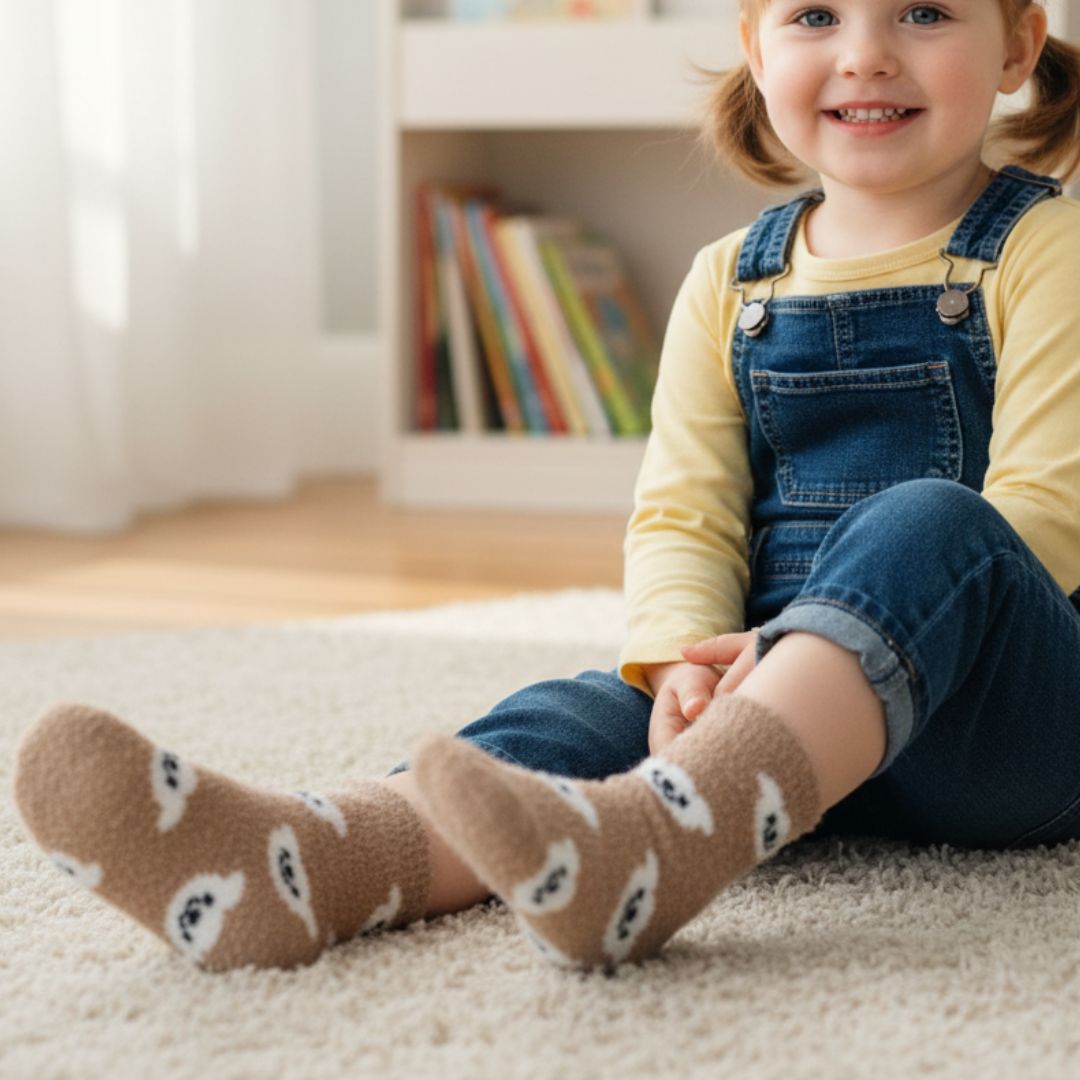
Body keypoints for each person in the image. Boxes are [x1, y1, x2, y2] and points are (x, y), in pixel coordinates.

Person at [13, 0, 1080, 975]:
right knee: (569, 718)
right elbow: (685, 511)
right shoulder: (729, 280)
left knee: (933, 522)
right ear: (757, 52)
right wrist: (681, 668)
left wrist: (798, 654)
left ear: (1017, 47)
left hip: (993, 734)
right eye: (814, 16)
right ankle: (314, 864)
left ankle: (657, 842)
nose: (865, 54)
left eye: (924, 12)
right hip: (761, 738)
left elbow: (1045, 512)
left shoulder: (1048, 249)